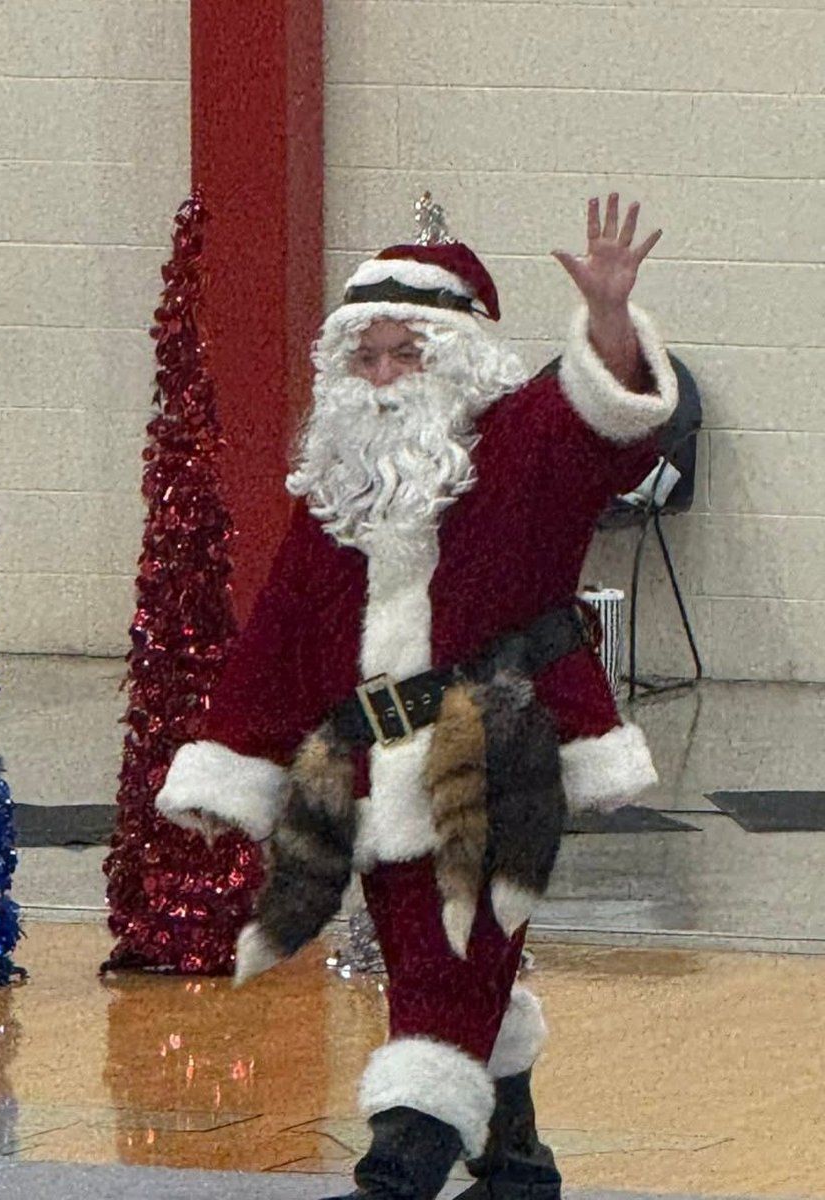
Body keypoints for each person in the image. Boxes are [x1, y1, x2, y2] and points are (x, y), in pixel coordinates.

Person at [156, 192, 677, 1200]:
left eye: (408, 354)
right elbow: (280, 638)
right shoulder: (340, 493)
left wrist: (610, 323)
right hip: (368, 774)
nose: (387, 377)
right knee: (434, 961)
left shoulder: (522, 447)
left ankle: (399, 1166)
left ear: (458, 359)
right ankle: (515, 1157)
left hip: (500, 757)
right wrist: (235, 769)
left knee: (452, 962)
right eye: (369, 357)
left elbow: (605, 425)